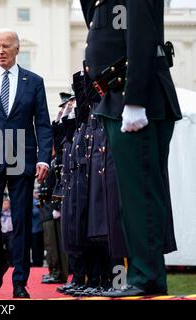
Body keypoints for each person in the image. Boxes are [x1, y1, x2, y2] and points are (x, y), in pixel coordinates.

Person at [82, 0, 181, 297]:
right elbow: (94, 17)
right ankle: (144, 273)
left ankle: (146, 275)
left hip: (138, 99)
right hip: (114, 99)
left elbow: (140, 35)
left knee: (143, 196)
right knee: (131, 198)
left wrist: (134, 98)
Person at [0, 28, 53, 298]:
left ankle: (19, 282)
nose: (0, 51)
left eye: (5, 46)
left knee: (21, 221)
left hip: (23, 159)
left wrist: (43, 159)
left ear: (17, 49)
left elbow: (43, 124)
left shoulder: (34, 81)